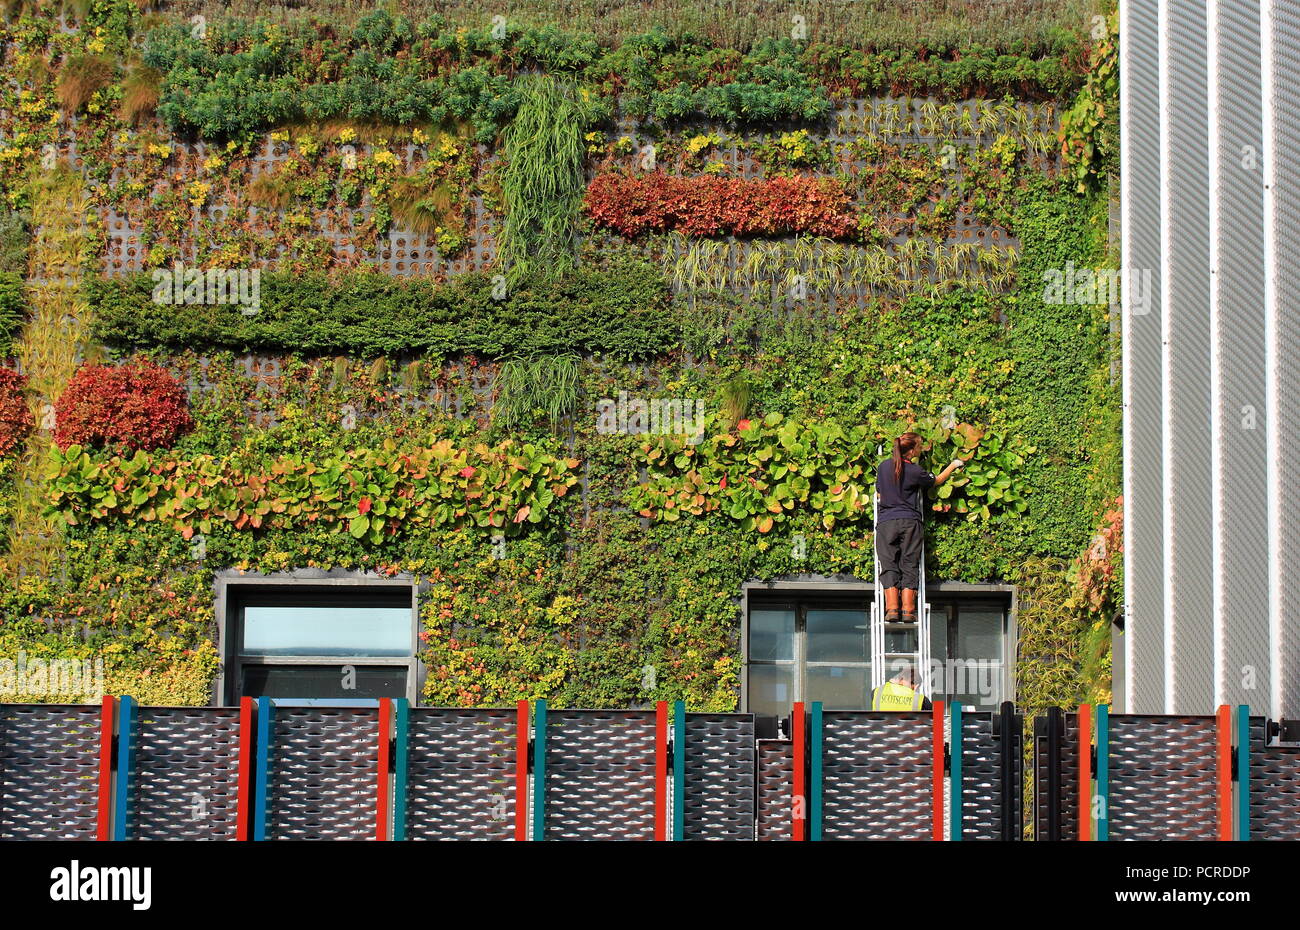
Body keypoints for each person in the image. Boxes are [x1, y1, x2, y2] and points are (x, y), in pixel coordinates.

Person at [875, 431, 964, 624]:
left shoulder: (883, 467)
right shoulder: (915, 471)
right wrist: (954, 465)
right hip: (910, 522)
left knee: (888, 563)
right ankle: (908, 610)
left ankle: (891, 608)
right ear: (912, 449)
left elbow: (879, 492)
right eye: (920, 445)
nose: (922, 448)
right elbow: (937, 480)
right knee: (909, 563)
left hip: (887, 522)